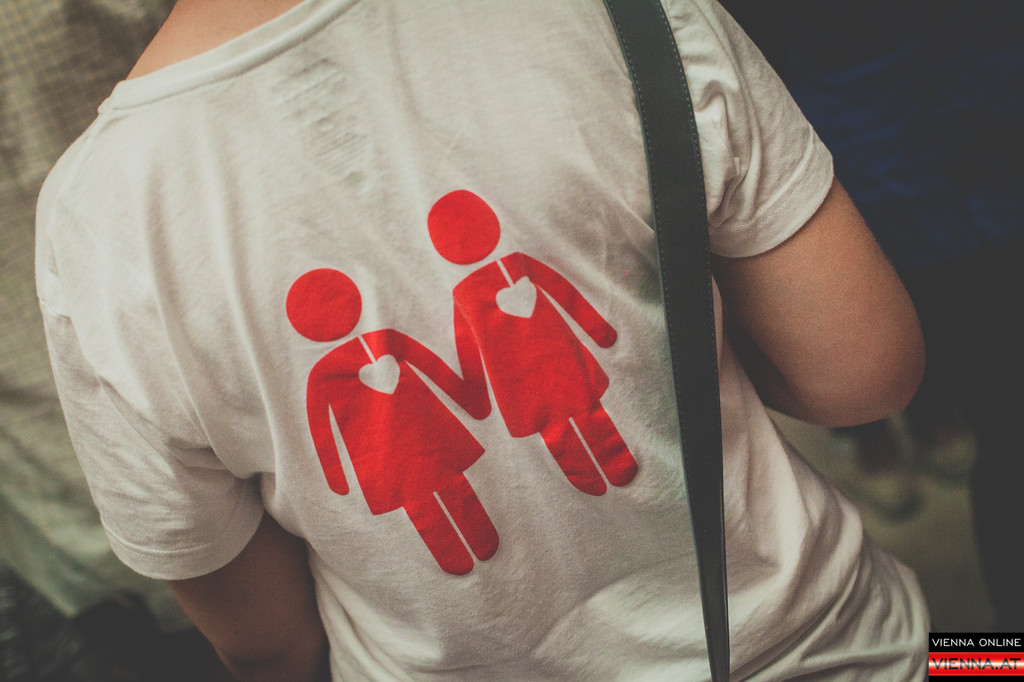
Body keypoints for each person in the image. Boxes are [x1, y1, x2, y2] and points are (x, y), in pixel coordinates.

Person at [35, 0, 927, 679]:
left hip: (428, 532)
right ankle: (990, 656)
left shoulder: (94, 220)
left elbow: (264, 639)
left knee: (464, 505)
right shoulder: (620, 18)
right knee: (986, 656)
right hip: (835, 647)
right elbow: (863, 372)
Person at [720, 0, 1024, 630]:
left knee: (1000, 419)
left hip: (986, 97)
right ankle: (880, 430)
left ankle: (982, 661)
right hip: (859, 116)